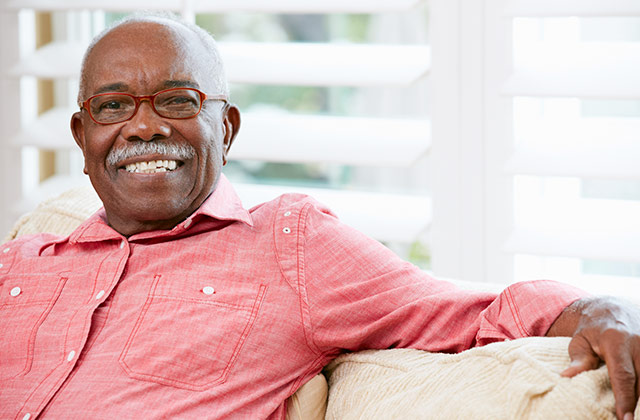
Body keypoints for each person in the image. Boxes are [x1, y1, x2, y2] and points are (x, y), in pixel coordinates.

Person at [0, 13, 638, 420]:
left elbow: (471, 312)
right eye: (114, 107)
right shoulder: (18, 264)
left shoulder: (290, 245)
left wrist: (600, 310)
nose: (144, 126)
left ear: (225, 129)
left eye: (177, 100)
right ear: (84, 137)